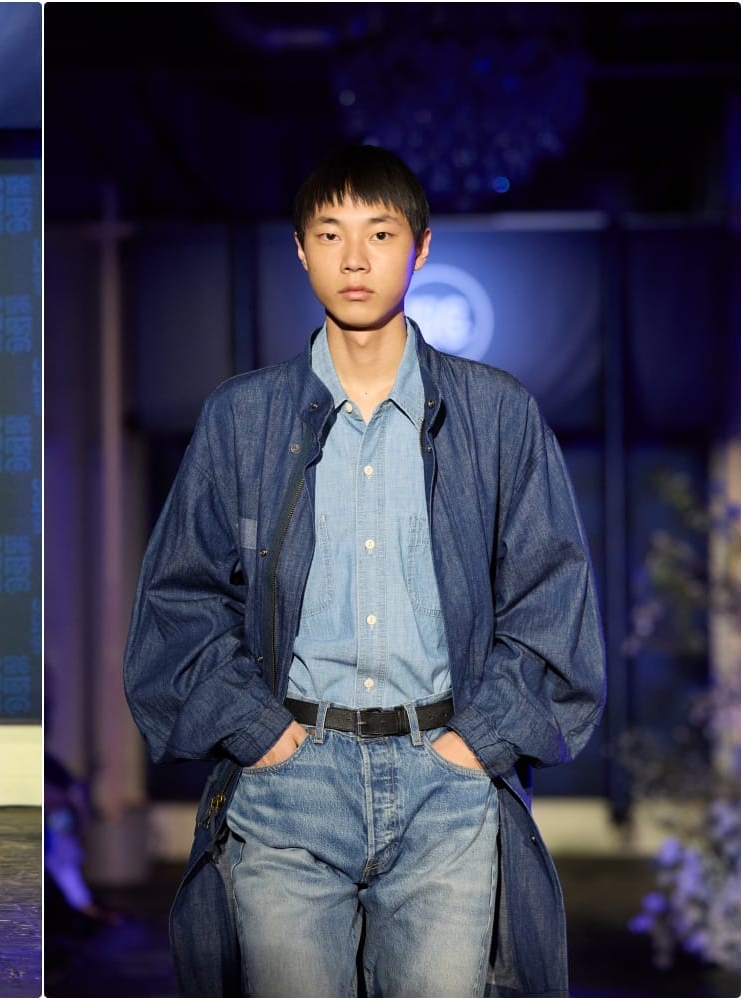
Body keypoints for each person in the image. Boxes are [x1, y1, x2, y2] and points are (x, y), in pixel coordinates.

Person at [123, 145, 605, 997]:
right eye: (330, 233)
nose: (355, 258)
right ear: (300, 250)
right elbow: (180, 597)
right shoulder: (244, 418)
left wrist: (475, 745)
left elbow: (552, 596)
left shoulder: (496, 414)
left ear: (421, 248)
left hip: (444, 789)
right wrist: (259, 733)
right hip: (290, 786)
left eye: (380, 233)